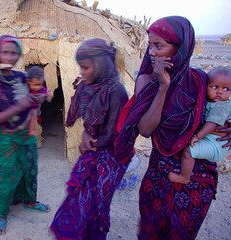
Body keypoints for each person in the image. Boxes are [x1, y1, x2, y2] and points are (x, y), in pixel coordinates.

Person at [114, 16, 231, 239]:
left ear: (181, 48)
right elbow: (146, 129)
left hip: (198, 177)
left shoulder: (199, 80)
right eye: (150, 44)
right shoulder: (147, 80)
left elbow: (221, 107)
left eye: (159, 45)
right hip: (160, 175)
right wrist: (163, 87)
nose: (152, 52)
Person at [50, 38, 129, 240]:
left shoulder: (116, 91)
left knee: (96, 203)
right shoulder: (89, 87)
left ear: (101, 64)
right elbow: (88, 122)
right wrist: (86, 135)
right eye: (80, 67)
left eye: (85, 67)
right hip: (93, 150)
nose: (82, 72)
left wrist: (90, 143)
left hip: (111, 157)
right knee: (78, 198)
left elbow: (112, 133)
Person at [0, 35, 50, 235]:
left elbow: (36, 94)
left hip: (27, 135)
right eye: (5, 52)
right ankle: (2, 212)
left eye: (14, 53)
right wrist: (22, 105)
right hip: (6, 138)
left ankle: (29, 200)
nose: (10, 57)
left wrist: (41, 96)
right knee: (8, 174)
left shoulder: (21, 78)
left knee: (30, 169)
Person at [169, 67, 231, 184]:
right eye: (214, 87)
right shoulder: (210, 102)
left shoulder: (221, 105)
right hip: (212, 141)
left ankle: (184, 177)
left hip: (215, 144)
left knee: (188, 151)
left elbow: (212, 124)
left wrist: (197, 136)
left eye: (226, 89)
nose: (220, 92)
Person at [25, 65, 52, 136]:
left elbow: (47, 94)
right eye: (35, 85)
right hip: (27, 109)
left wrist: (49, 95)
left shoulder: (41, 88)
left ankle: (35, 132)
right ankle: (30, 131)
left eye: (40, 84)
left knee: (35, 118)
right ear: (28, 82)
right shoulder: (25, 88)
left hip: (36, 109)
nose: (38, 87)